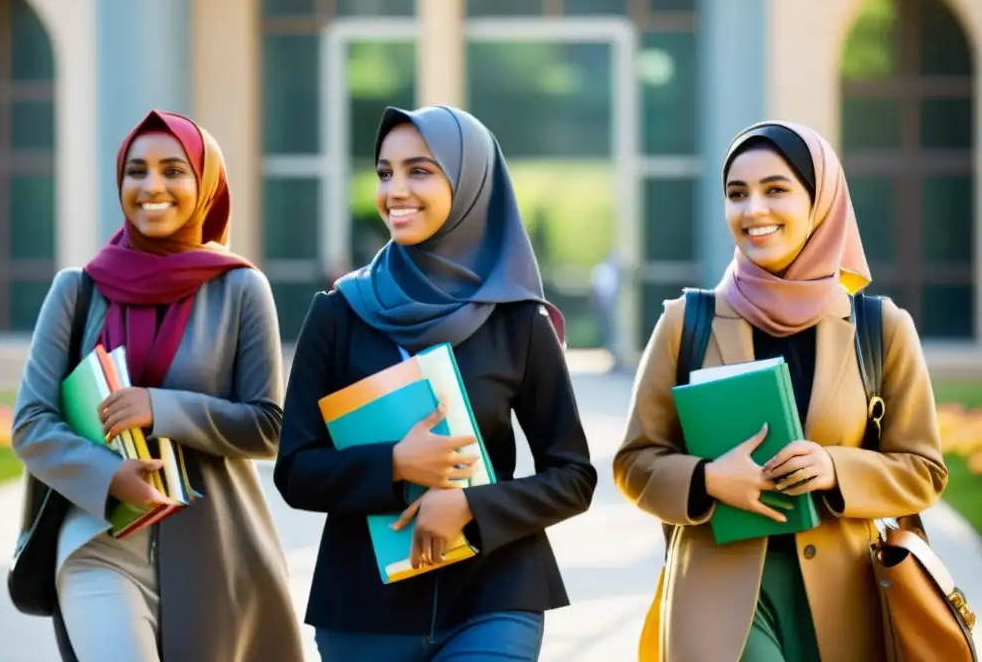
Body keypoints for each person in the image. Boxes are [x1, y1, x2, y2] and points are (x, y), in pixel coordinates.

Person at [613, 120, 948, 662]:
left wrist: (836, 468)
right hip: (717, 598)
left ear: (820, 201)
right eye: (737, 194)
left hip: (848, 597)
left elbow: (924, 470)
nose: (753, 211)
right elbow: (635, 462)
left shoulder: (879, 328)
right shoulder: (686, 322)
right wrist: (705, 479)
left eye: (776, 189)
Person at [274, 105, 597, 661]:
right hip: (365, 610)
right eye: (384, 172)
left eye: (419, 171)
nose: (395, 189)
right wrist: (395, 464)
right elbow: (296, 471)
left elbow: (573, 477)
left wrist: (473, 507)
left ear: (470, 183)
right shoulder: (339, 314)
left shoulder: (518, 321)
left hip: (494, 593)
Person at [11, 110, 304, 661]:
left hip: (213, 550)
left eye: (174, 170)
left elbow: (269, 427)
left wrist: (159, 408)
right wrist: (108, 475)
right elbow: (31, 426)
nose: (152, 187)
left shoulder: (241, 289)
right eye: (136, 171)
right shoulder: (76, 292)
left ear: (204, 183)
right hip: (98, 540)